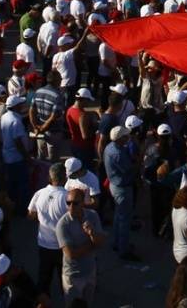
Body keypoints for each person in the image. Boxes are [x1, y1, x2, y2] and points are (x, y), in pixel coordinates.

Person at [26, 163, 69, 301]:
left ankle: (42, 302)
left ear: (49, 177)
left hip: (43, 244)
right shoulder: (67, 197)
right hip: (62, 246)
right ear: (65, 177)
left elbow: (30, 215)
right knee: (65, 278)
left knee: (44, 277)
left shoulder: (40, 193)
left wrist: (42, 217)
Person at [57, 187, 104, 307]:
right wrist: (92, 243)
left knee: (87, 304)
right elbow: (71, 254)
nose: (71, 206)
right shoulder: (63, 224)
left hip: (90, 271)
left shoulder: (92, 216)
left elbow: (100, 242)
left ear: (83, 203)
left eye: (75, 203)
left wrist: (92, 233)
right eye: (68, 203)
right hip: (72, 277)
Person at [103, 125, 139, 261]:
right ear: (120, 138)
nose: (128, 138)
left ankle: (117, 243)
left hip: (115, 185)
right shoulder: (118, 153)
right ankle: (124, 250)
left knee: (119, 216)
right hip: (122, 188)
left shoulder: (110, 148)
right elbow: (130, 168)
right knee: (124, 219)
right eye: (125, 136)